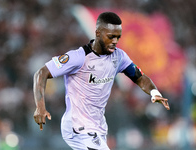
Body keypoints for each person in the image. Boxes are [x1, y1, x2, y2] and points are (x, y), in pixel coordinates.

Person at [33, 12, 170, 150]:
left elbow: (139, 77)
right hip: (78, 126)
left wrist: (153, 92)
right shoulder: (79, 57)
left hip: (98, 128)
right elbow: (41, 73)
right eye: (111, 37)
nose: (115, 41)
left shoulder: (119, 56)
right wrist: (40, 106)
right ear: (98, 33)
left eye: (118, 37)